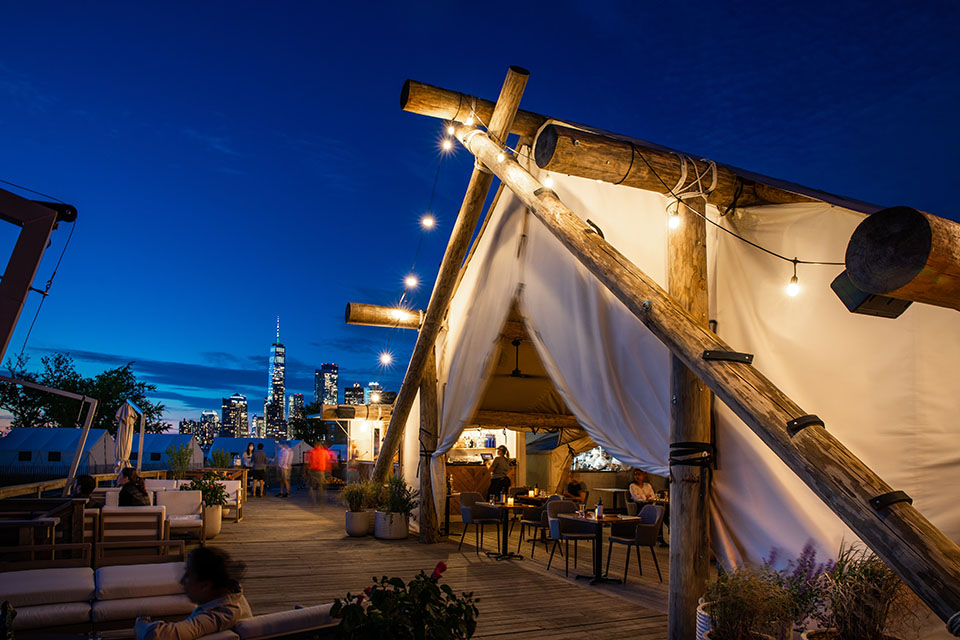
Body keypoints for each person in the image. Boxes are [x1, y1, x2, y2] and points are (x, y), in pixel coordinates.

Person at [135, 546, 251, 640]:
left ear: (205, 585)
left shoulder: (216, 617)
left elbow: (156, 635)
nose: (182, 581)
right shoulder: (234, 598)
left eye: (188, 575)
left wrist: (141, 622)